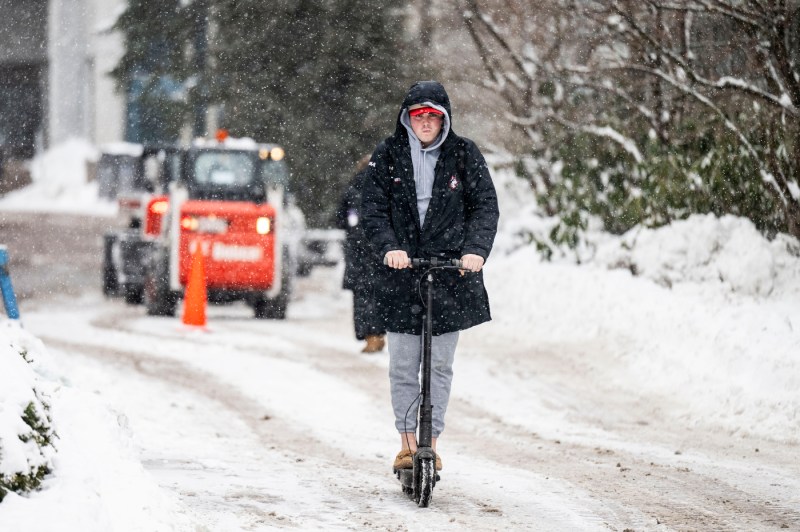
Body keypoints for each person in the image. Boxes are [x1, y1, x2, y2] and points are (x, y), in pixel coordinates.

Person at [361, 80, 499, 472]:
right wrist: (390, 247)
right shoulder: (388, 155)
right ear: (408, 117)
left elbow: (485, 206)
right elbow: (372, 208)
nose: (426, 122)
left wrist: (474, 251)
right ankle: (407, 444)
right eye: (419, 115)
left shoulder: (463, 155)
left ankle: (431, 442)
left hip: (449, 273)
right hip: (401, 273)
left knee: (439, 365)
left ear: (444, 119)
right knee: (403, 364)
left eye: (433, 116)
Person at [335, 155, 387, 353]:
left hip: (358, 252)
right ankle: (378, 334)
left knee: (362, 296)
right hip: (380, 251)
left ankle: (369, 336)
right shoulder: (386, 188)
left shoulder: (352, 189)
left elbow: (339, 219)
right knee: (380, 295)